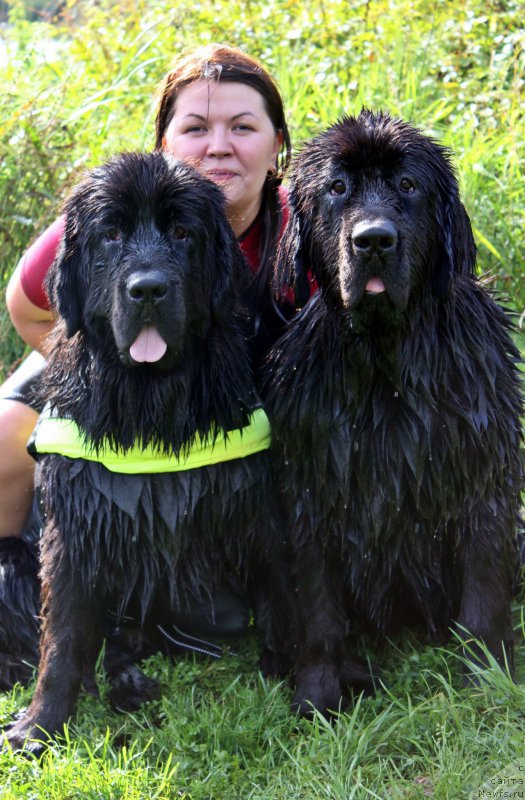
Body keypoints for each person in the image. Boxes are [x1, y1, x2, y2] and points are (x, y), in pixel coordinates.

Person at [0, 43, 304, 689]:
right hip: (108, 348)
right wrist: (98, 368)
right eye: (195, 128)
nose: (218, 146)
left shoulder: (301, 226)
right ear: (163, 141)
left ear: (278, 142)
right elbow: (27, 304)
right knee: (3, 438)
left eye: (242, 127)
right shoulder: (107, 207)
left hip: (239, 383)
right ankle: (16, 578)